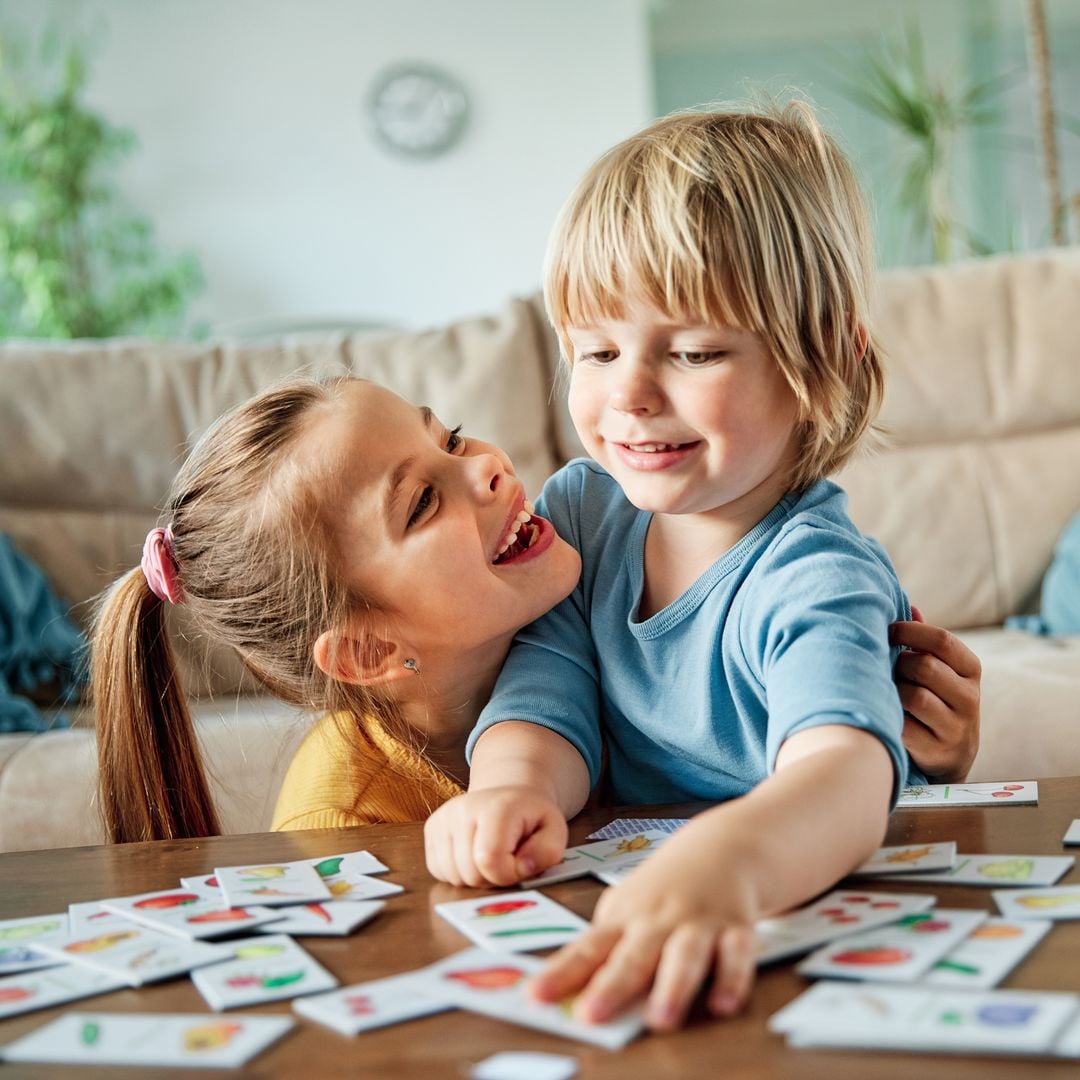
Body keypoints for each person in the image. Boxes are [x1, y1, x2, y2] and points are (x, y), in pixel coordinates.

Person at [422, 104, 979, 1032]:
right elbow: (548, 689)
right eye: (596, 350)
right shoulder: (581, 512)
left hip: (787, 924)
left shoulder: (817, 567)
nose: (630, 394)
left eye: (692, 351)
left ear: (824, 364)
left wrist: (726, 865)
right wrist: (512, 787)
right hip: (630, 918)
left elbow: (841, 771)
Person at [91, 371, 978, 846]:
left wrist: (918, 754)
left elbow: (784, 773)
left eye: (449, 436)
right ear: (364, 651)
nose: (486, 467)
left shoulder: (612, 579)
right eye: (422, 503)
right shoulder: (345, 815)